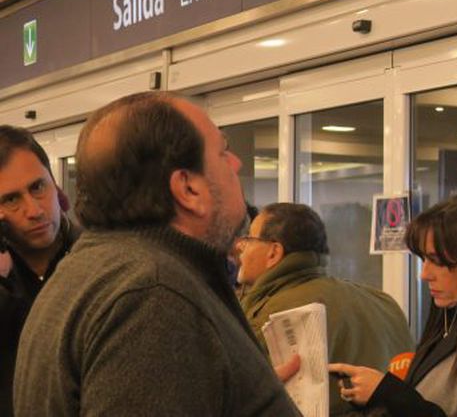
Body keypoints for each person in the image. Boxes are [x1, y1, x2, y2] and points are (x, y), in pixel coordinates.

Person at [13, 92, 301, 416]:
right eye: (222, 152)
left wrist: (235, 390)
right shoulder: (152, 296)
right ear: (188, 189)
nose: (237, 163)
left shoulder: (88, 269)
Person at [237, 202, 415, 415]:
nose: (240, 246)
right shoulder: (383, 302)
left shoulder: (268, 318)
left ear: (274, 252)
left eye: (249, 239)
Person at [329, 194, 457, 416]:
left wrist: (387, 392)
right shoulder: (446, 326)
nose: (425, 274)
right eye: (423, 260)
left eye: (437, 261)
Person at [0, 126, 78, 417]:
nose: (34, 210)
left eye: (37, 187)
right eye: (11, 199)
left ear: (55, 185)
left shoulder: (94, 257)